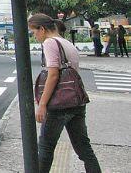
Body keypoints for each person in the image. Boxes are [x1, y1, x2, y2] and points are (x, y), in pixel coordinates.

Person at [28, 13, 101, 173]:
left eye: (34, 31)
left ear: (42, 28)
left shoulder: (50, 43)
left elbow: (53, 75)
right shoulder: (66, 43)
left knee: (46, 147)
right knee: (84, 148)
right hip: (76, 102)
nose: (34, 36)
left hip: (59, 105)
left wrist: (42, 104)